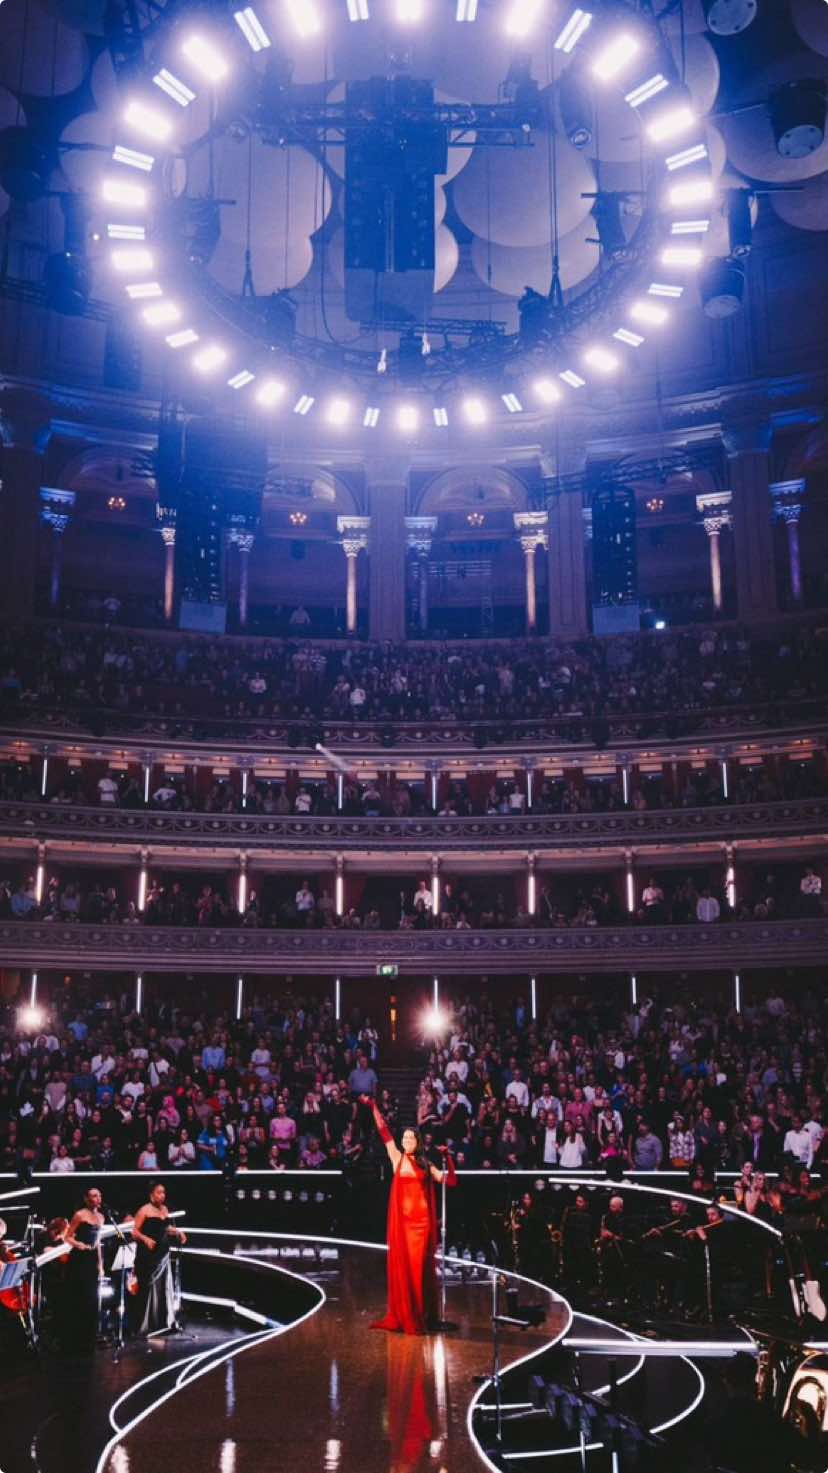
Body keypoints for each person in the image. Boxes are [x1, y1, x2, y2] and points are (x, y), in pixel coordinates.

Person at [364, 1095, 456, 1334]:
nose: (406, 1140)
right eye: (404, 1137)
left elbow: (450, 1181)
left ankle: (422, 1314)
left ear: (417, 1141)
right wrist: (373, 1107)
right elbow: (384, 1131)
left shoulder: (426, 1163)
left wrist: (447, 1158)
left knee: (419, 1270)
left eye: (410, 1137)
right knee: (405, 1270)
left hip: (422, 1224)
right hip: (403, 1226)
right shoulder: (397, 1157)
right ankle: (408, 1313)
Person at [131, 1181, 187, 1337]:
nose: (162, 1195)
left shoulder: (164, 1209)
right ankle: (143, 1327)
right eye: (159, 1192)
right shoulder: (144, 1210)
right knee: (147, 1288)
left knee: (162, 1287)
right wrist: (146, 1239)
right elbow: (134, 1232)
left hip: (162, 1254)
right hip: (148, 1255)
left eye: (163, 1192)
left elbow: (165, 1227)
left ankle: (160, 1323)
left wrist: (178, 1232)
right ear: (151, 1195)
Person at [61, 1185, 105, 1351]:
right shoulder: (80, 1214)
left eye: (99, 1195)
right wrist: (79, 1245)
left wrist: (101, 1264)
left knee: (92, 1297)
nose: (98, 1198)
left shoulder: (101, 1217)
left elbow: (98, 1241)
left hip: (92, 1257)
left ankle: (89, 1337)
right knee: (80, 1296)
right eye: (94, 1196)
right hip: (79, 1259)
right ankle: (75, 1339)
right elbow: (67, 1236)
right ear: (87, 1199)